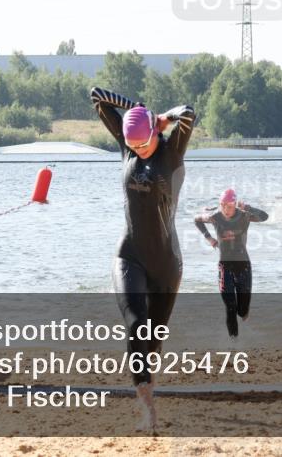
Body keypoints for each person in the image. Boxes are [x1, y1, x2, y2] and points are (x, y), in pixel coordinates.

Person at [90, 86, 195, 432]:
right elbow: (97, 96)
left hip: (167, 264)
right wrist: (135, 108)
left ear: (156, 132)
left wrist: (160, 117)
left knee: (153, 340)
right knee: (136, 324)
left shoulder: (172, 152)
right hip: (129, 255)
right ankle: (147, 408)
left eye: (142, 144)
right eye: (131, 146)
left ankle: (148, 381)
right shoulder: (128, 144)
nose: (137, 151)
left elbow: (189, 113)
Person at [194, 188, 268, 339]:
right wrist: (209, 238)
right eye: (223, 205)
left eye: (229, 206)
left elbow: (264, 216)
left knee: (242, 310)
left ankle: (244, 313)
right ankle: (234, 343)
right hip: (225, 266)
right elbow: (197, 219)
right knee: (230, 307)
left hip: (243, 267)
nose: (226, 210)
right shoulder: (215, 217)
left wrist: (247, 207)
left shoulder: (244, 216)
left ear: (235, 205)